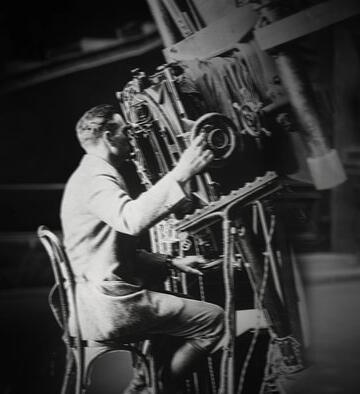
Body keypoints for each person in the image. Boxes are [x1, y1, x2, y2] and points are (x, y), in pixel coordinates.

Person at [60, 104, 225, 392]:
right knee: (214, 320)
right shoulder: (96, 178)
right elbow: (132, 220)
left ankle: (141, 385)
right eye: (125, 131)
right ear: (110, 136)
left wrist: (172, 262)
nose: (131, 138)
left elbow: (112, 251)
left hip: (93, 304)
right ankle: (152, 390)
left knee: (168, 321)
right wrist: (182, 172)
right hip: (110, 307)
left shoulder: (89, 174)